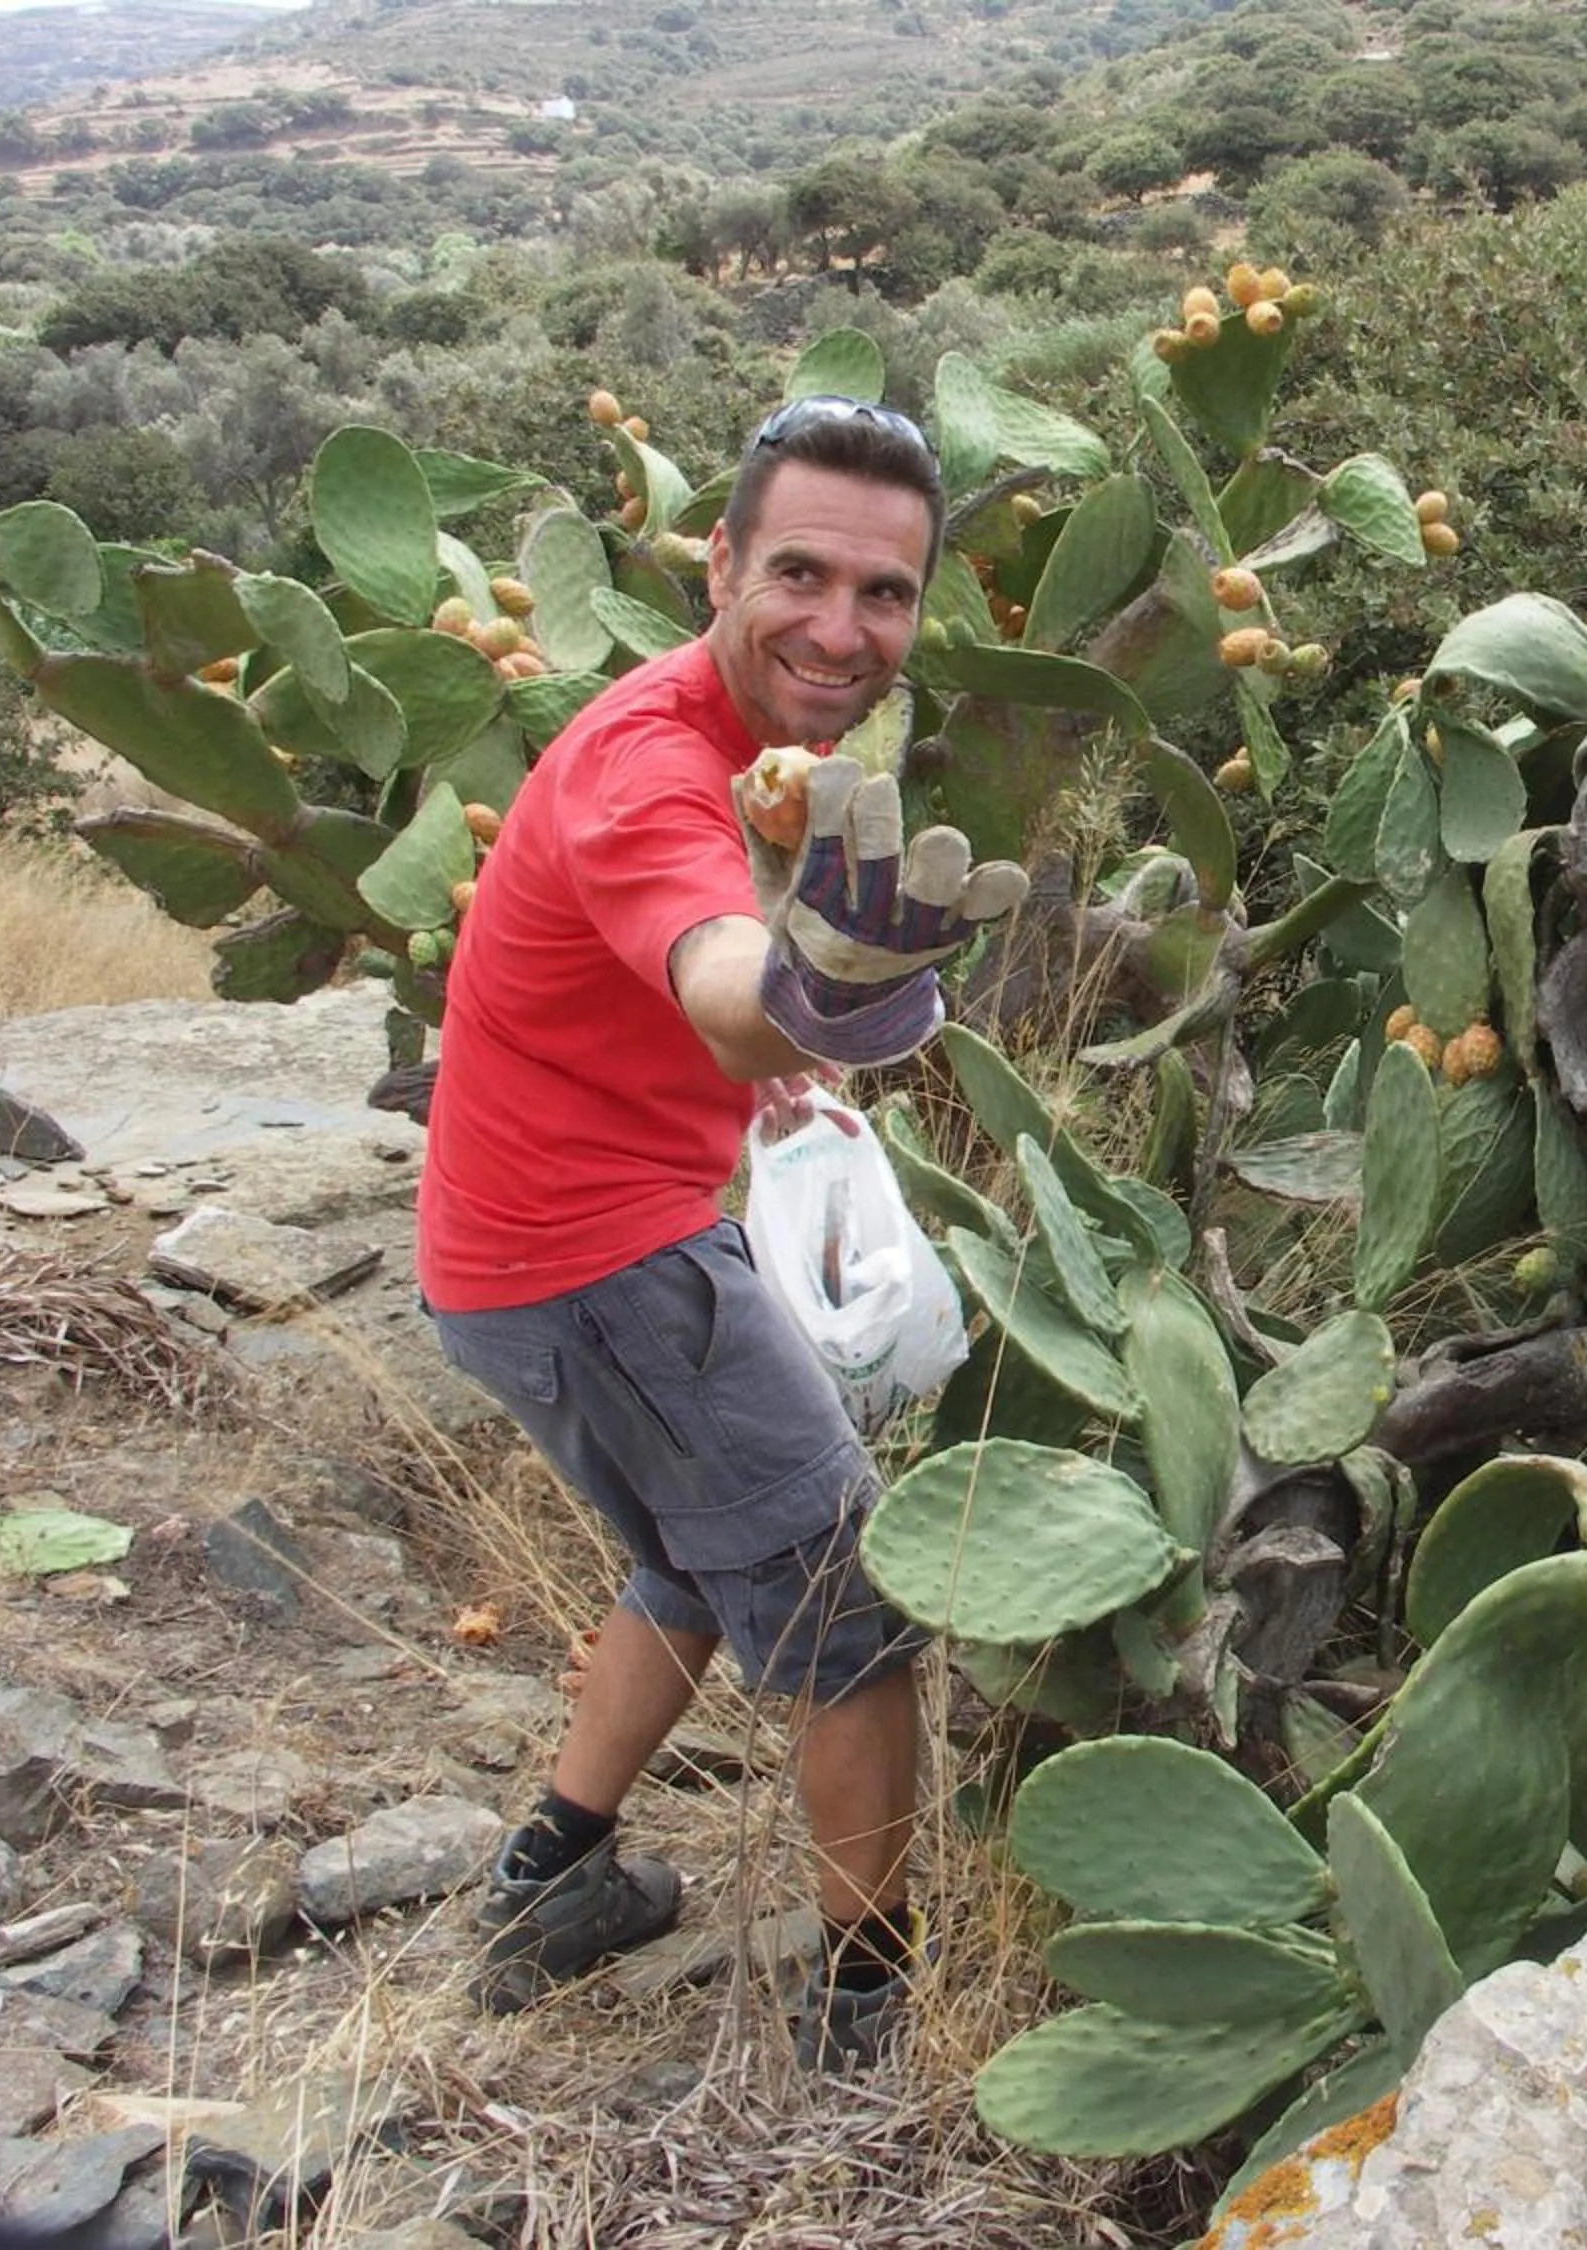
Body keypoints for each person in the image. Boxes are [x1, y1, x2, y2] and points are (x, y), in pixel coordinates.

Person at [413, 394, 1023, 2067]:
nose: (843, 627)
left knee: (688, 1554)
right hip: (599, 1267)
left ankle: (553, 1876)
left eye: (885, 593)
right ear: (721, 563)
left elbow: (692, 1004)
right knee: (849, 1603)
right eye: (803, 574)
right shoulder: (650, 765)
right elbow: (715, 976)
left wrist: (782, 1038)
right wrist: (805, 995)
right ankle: (872, 2003)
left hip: (541, 1250)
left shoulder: (750, 745)